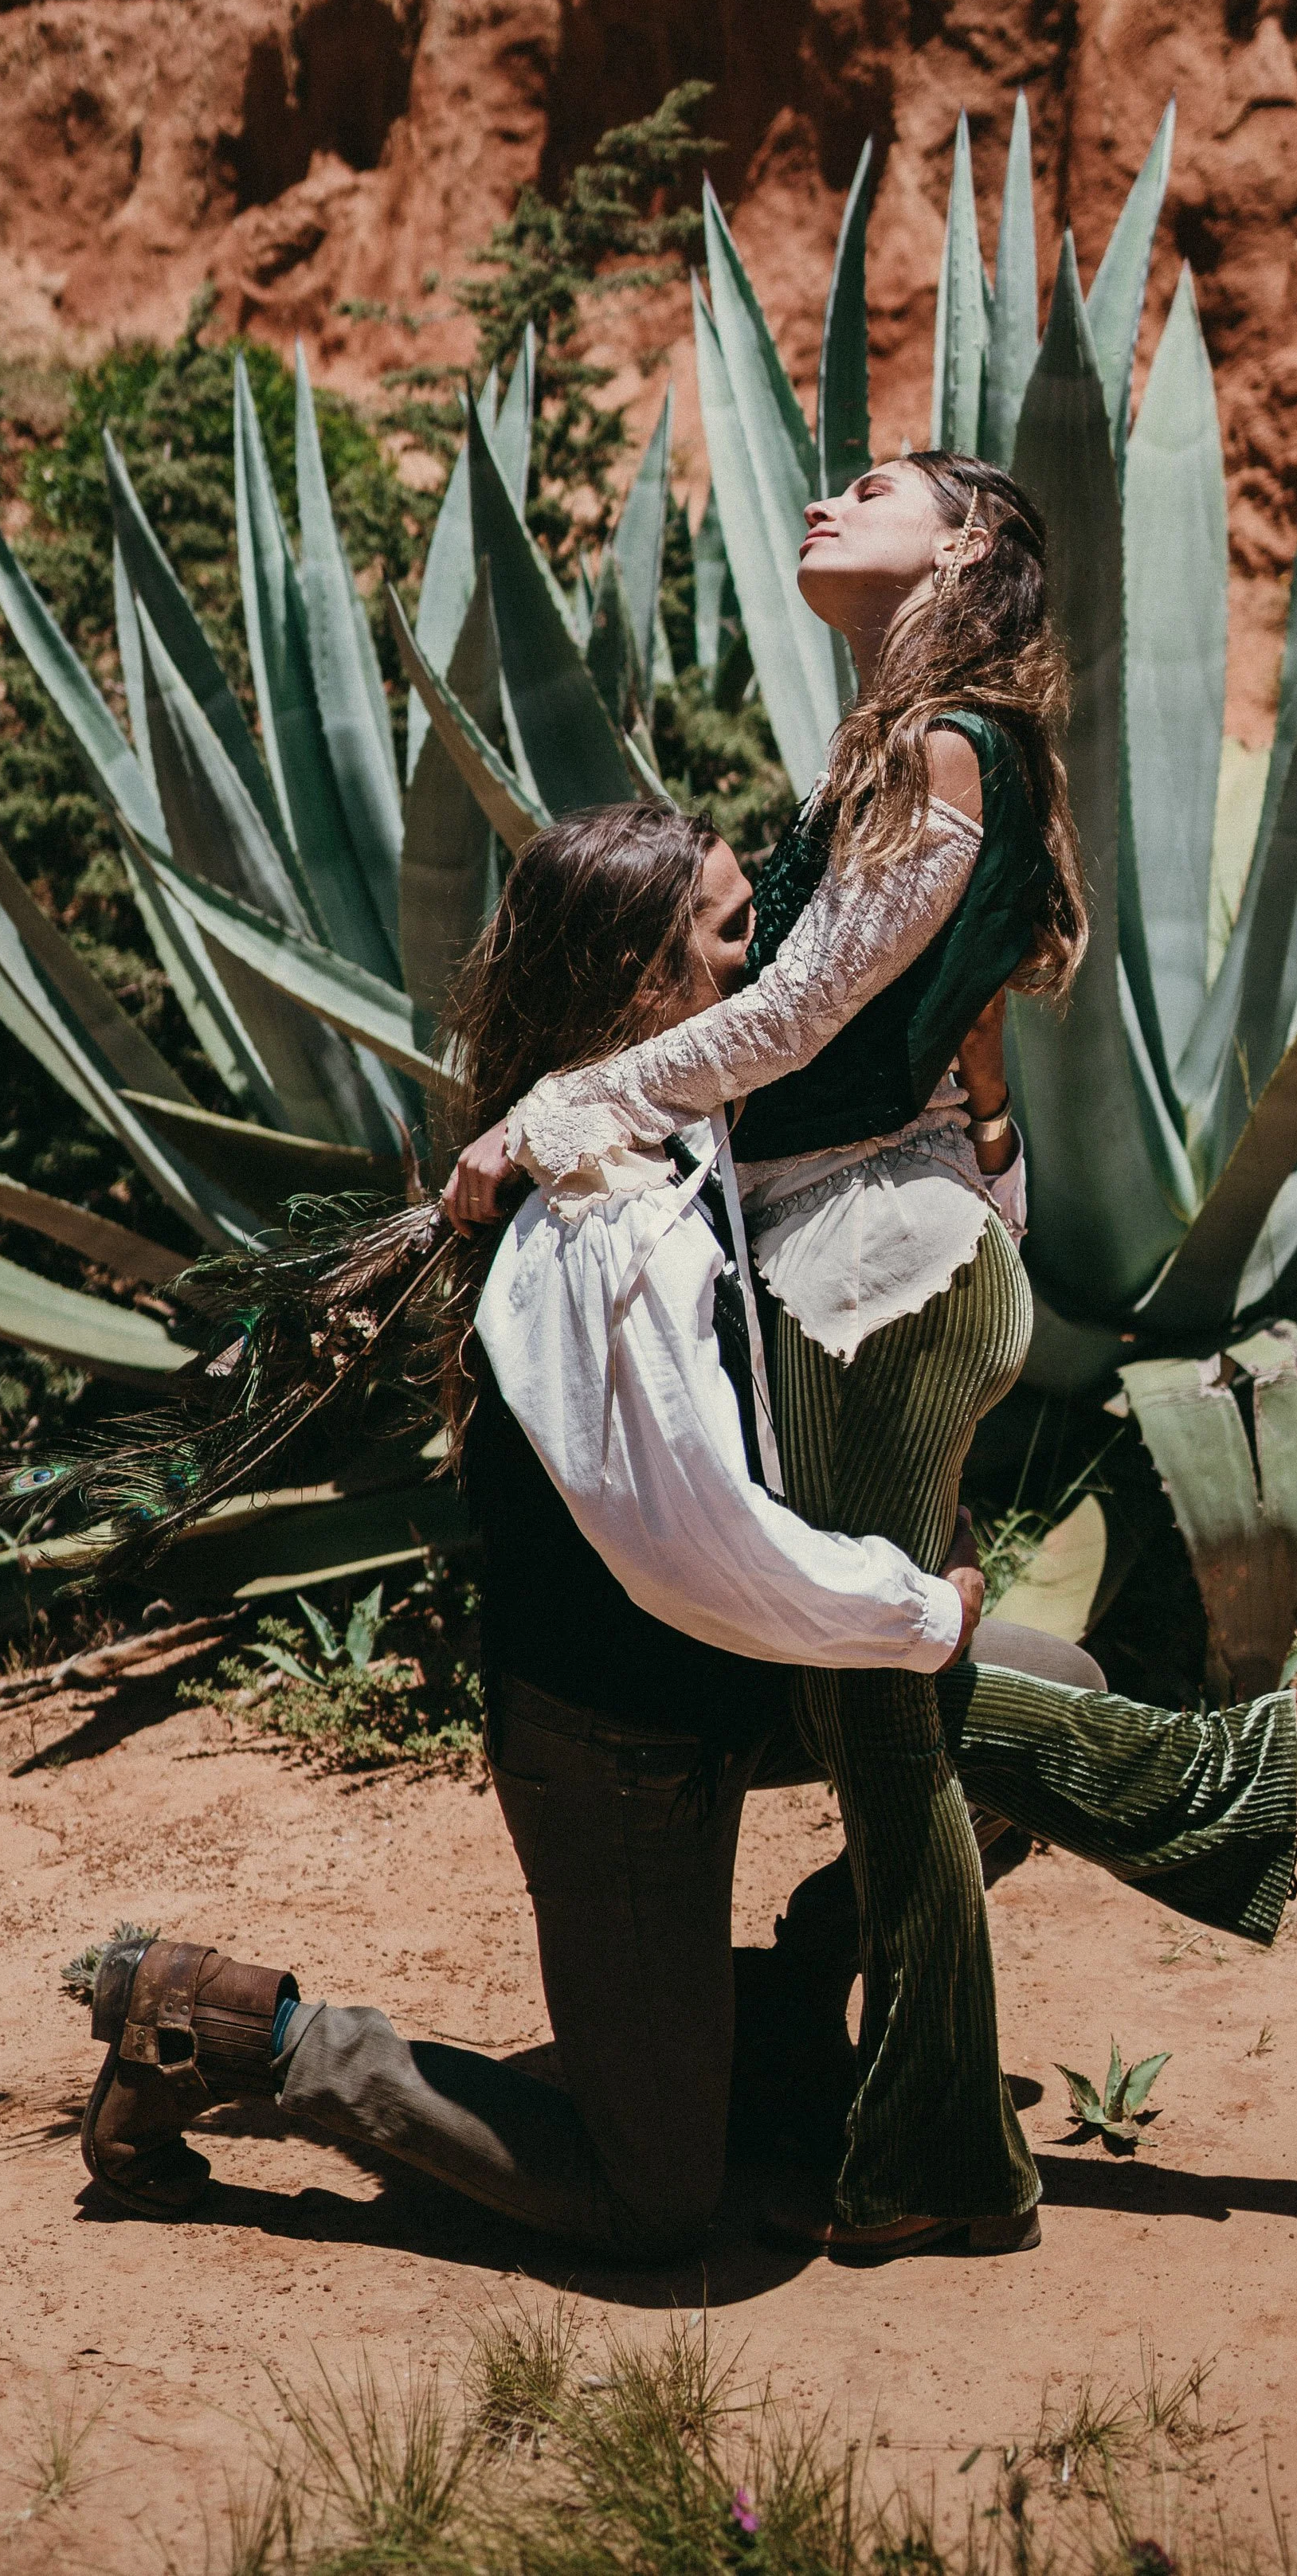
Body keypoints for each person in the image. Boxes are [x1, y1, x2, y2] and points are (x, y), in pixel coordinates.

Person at [71, 806, 1297, 2266]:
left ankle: (796, 2006)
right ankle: (239, 2032)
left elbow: (900, 1230)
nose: (775, 959)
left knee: (1066, 1706)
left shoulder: (692, 1121)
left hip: (742, 1672)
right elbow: (703, 1546)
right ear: (645, 989)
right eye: (735, 937)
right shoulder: (607, 1230)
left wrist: (983, 1104)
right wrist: (925, 1613)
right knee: (654, 2199)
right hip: (622, 1749)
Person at [445, 453, 1090, 2247]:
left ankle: (937, 2162)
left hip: (878, 1268)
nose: (821, 496)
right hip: (866, 1252)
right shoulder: (911, 746)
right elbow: (948, 1032)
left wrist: (563, 1101)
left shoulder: (944, 744)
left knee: (889, 1718)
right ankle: (1217, 1789)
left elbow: (800, 1011)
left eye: (875, 485)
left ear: (961, 548)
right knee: (894, 1687)